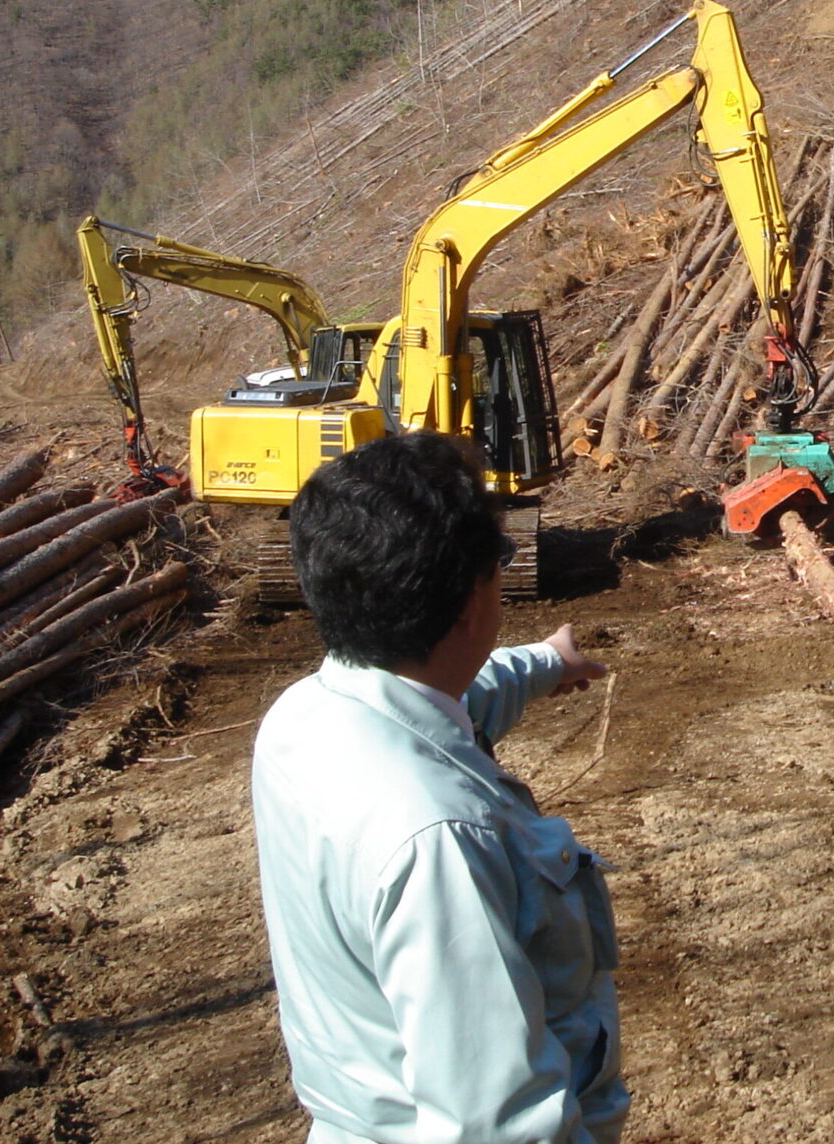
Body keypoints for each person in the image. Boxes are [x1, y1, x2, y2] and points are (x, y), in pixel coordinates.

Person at [252, 432, 627, 1144]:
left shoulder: (303, 718)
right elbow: (498, 1125)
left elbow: (445, 702)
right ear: (467, 602)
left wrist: (545, 662)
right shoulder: (439, 841)